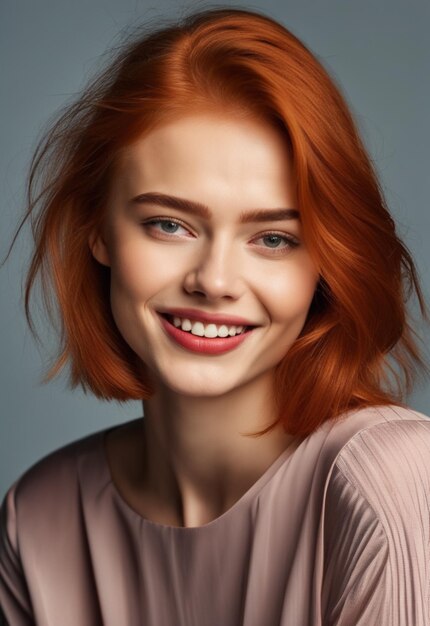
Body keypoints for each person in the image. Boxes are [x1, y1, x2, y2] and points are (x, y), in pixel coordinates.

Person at [1, 6, 429, 625]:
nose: (215, 281)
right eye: (169, 225)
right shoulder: (40, 518)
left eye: (274, 238)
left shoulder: (386, 482)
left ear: (327, 263)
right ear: (97, 229)